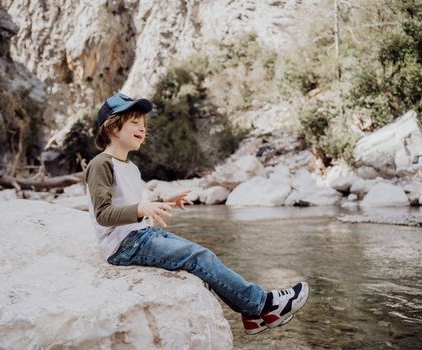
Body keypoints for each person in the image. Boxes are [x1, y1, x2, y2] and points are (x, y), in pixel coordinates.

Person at [84, 92, 309, 335]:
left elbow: (132, 202)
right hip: (124, 245)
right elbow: (103, 214)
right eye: (134, 123)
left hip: (140, 235)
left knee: (203, 255)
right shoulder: (101, 164)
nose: (142, 129)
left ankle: (252, 316)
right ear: (112, 127)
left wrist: (162, 201)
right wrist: (141, 209)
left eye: (144, 124)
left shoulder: (129, 166)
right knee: (199, 257)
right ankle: (262, 304)